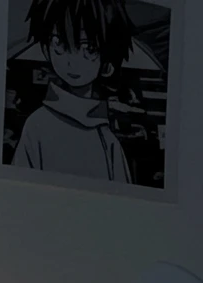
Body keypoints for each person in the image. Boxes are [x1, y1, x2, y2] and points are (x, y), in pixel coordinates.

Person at [11, 0, 134, 183]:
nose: (72, 61)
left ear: (107, 64)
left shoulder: (106, 137)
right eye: (59, 43)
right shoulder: (37, 125)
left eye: (89, 48)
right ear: (46, 49)